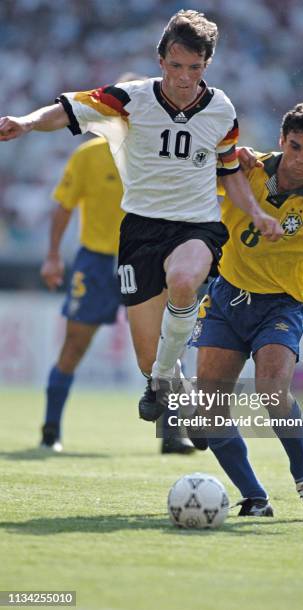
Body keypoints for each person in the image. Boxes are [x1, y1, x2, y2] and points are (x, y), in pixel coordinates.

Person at [0, 9, 283, 425]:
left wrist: (255, 211)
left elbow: (227, 170)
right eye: (176, 65)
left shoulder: (221, 109)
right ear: (160, 60)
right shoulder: (130, 99)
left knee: (185, 280)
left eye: (195, 67)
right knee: (149, 360)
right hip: (140, 230)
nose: (184, 77)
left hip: (196, 225)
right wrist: (25, 122)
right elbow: (67, 109)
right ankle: (166, 379)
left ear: (207, 65)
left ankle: (168, 381)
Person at [190, 102, 303, 519]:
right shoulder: (246, 167)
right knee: (207, 408)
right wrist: (225, 152)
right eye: (295, 146)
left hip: (280, 305)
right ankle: (255, 497)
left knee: (271, 390)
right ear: (282, 141)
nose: (300, 159)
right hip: (227, 294)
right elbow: (193, 170)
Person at [40, 103, 195, 455]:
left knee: (162, 347)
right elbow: (64, 205)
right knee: (75, 344)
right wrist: (52, 256)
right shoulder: (89, 155)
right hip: (96, 261)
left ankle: (172, 432)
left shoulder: (161, 153)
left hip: (146, 259)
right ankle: (51, 430)